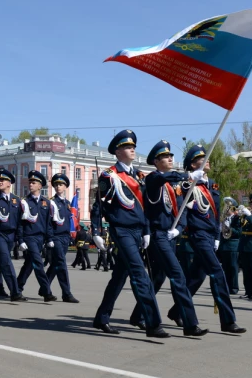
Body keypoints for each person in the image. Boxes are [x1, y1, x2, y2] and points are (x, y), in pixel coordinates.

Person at [91, 130, 169, 338]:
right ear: (117, 151)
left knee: (119, 277)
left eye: (133, 145)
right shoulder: (109, 175)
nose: (132, 148)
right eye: (127, 146)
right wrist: (96, 231)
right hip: (121, 230)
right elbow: (99, 205)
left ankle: (102, 317)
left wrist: (145, 231)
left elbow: (143, 208)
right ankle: (152, 323)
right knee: (140, 275)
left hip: (137, 231)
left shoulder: (138, 175)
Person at [129, 140, 207, 336]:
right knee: (178, 276)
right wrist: (188, 175)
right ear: (156, 161)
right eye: (165, 156)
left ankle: (138, 315)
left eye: (171, 156)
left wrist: (179, 229)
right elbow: (166, 177)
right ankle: (190, 324)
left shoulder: (174, 185)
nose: (170, 158)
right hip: (158, 236)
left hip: (170, 236)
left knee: (157, 278)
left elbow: (181, 210)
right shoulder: (154, 179)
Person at [167, 145, 246, 334]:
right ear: (194, 164)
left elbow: (216, 213)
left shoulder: (212, 185)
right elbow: (181, 207)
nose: (208, 160)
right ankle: (227, 321)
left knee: (196, 277)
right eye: (203, 158)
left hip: (210, 235)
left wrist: (217, 236)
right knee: (217, 274)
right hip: (198, 234)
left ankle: (176, 311)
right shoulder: (187, 185)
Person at [0, 169, 27, 302]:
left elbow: (19, 222)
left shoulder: (17, 201)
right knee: (6, 262)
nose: (0, 182)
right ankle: (15, 292)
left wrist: (20, 239)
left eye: (3, 180)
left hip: (11, 236)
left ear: (9, 183)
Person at [16, 170, 56, 301]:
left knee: (28, 265)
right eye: (30, 182)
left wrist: (49, 238)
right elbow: (20, 223)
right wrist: (20, 240)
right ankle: (46, 292)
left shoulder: (46, 203)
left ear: (40, 186)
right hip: (29, 237)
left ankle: (17, 288)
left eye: (34, 183)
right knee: (38, 263)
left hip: (40, 238)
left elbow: (48, 223)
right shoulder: (24, 202)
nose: (31, 185)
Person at [46, 173, 79, 303]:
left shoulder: (68, 204)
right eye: (56, 184)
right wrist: (49, 238)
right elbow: (48, 223)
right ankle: (66, 293)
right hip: (56, 237)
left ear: (65, 187)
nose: (58, 187)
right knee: (61, 264)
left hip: (65, 237)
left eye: (61, 184)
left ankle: (45, 286)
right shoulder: (51, 203)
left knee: (55, 264)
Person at [219, 205, 242, 294]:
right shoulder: (224, 219)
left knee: (233, 267)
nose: (225, 209)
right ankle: (227, 287)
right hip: (224, 246)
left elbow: (239, 232)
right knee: (225, 268)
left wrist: (230, 228)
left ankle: (234, 287)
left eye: (227, 208)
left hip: (233, 246)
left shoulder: (237, 218)